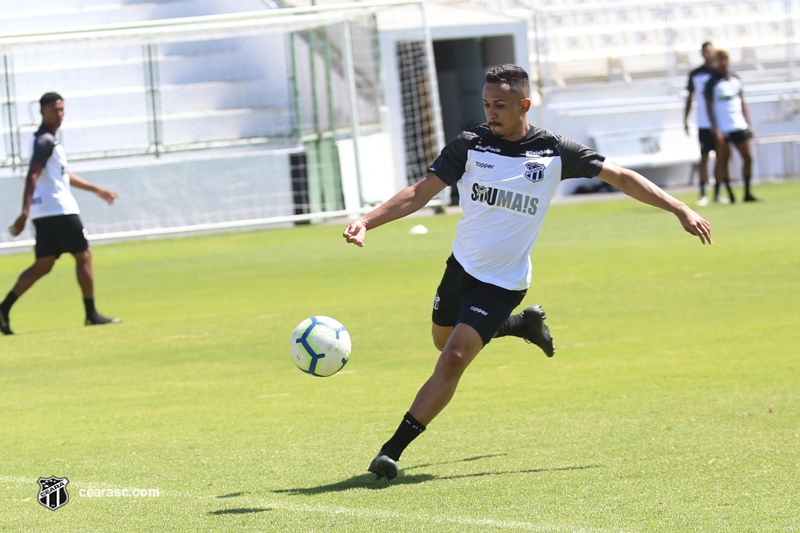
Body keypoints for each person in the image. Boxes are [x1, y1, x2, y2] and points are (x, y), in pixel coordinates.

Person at [343, 64, 712, 481]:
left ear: (524, 105)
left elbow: (622, 177)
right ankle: (521, 325)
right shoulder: (469, 144)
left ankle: (390, 452)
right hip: (461, 268)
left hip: (504, 281)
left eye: (500, 105)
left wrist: (679, 207)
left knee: (454, 359)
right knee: (441, 340)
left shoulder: (554, 151)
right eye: (486, 104)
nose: (491, 113)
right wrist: (366, 221)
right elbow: (418, 193)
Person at [0, 92, 121, 336]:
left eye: (62, 109)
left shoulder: (46, 141)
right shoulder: (45, 141)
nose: (59, 114)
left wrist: (97, 190)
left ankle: (3, 309)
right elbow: (32, 175)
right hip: (59, 210)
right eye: (54, 110)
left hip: (43, 212)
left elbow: (63, 176)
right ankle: (91, 314)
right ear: (42, 111)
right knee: (83, 256)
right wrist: (23, 212)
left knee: (43, 265)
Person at [704, 49, 759, 203]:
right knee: (724, 160)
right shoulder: (712, 82)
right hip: (723, 127)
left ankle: (747, 192)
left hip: (739, 124)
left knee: (747, 157)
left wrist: (749, 123)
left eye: (725, 58)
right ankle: (730, 194)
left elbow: (742, 103)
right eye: (720, 59)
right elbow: (709, 107)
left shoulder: (735, 78)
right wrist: (715, 128)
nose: (723, 62)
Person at [683, 41, 717, 206]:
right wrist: (686, 119)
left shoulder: (721, 73)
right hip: (704, 122)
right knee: (704, 157)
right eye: (705, 52)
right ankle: (703, 192)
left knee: (722, 158)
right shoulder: (696, 74)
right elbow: (689, 98)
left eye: (710, 51)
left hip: (720, 123)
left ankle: (718, 192)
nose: (708, 54)